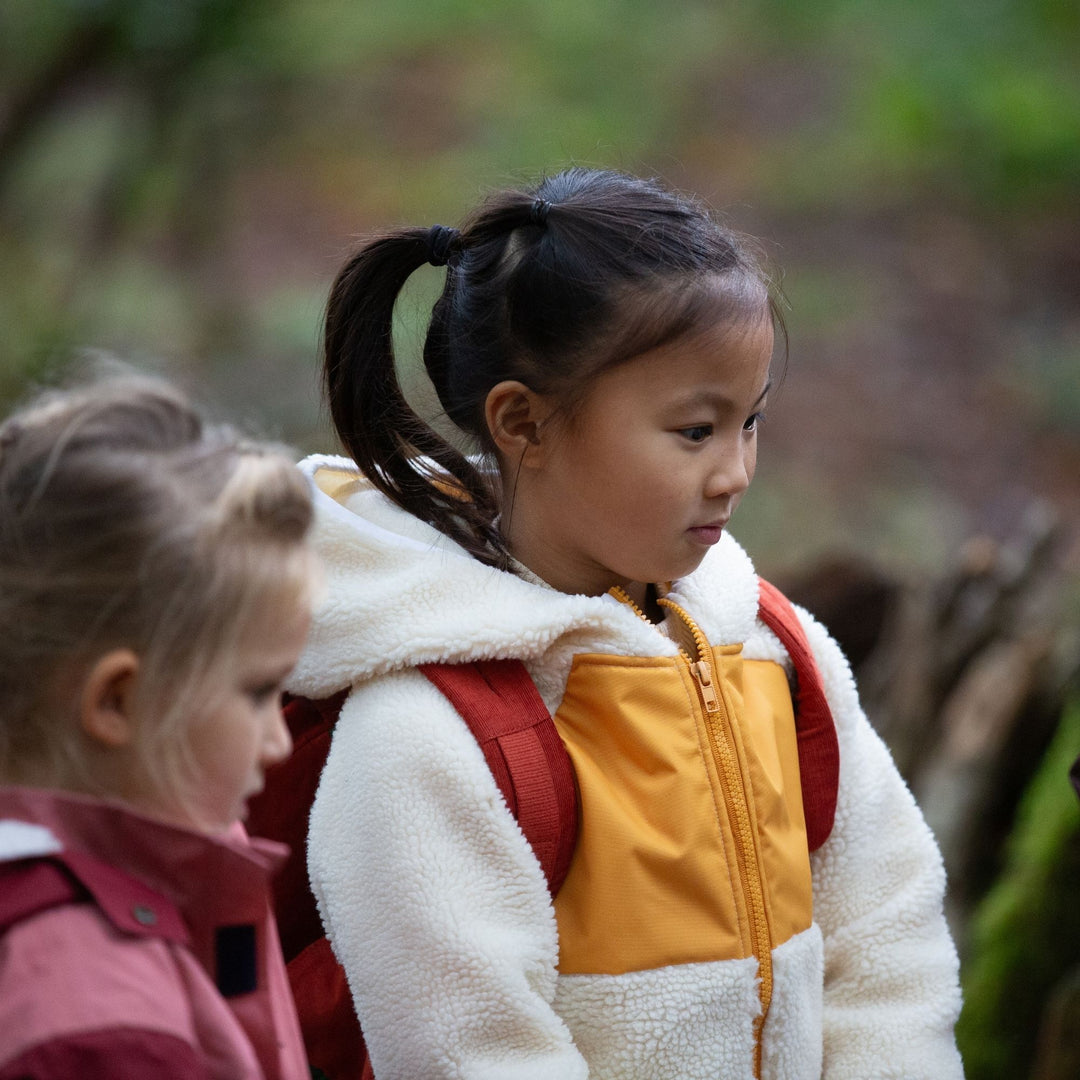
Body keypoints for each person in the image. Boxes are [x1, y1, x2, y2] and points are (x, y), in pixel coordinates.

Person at [290, 168, 965, 1078]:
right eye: (696, 431)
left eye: (751, 422)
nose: (736, 472)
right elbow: (472, 1050)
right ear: (523, 423)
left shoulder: (776, 651)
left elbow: (888, 936)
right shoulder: (425, 733)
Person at [0, 370, 318, 1079]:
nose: (279, 739)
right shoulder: (98, 1027)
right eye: (259, 692)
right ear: (117, 702)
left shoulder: (183, 859)